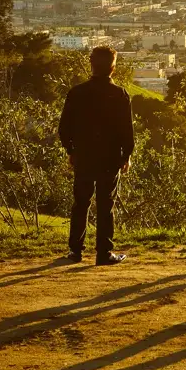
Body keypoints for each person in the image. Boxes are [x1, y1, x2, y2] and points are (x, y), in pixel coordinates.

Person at [59, 46, 134, 266]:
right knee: (105, 205)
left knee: (80, 203)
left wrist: (71, 151)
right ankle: (104, 252)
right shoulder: (119, 94)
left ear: (91, 65)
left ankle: (75, 251)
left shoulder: (77, 93)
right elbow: (126, 131)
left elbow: (64, 128)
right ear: (113, 66)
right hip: (110, 158)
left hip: (83, 156)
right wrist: (126, 155)